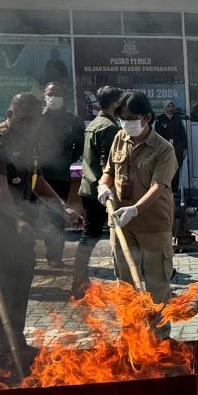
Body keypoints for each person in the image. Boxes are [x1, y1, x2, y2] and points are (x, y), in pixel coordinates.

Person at [0, 94, 82, 362]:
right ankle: (3, 348)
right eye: (22, 119)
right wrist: (16, 221)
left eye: (33, 121)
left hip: (22, 218)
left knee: (22, 278)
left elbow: (37, 181)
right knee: (3, 282)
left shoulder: (31, 140)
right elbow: (0, 188)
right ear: (10, 115)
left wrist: (63, 208)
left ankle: (17, 341)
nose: (28, 125)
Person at [98, 92, 180, 315]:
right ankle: (131, 334)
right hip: (121, 225)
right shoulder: (119, 138)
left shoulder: (164, 149)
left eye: (131, 118)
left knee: (157, 286)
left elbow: (159, 187)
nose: (126, 122)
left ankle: (158, 337)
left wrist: (134, 210)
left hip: (153, 225)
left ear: (146, 118)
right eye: (122, 118)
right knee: (125, 285)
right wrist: (103, 186)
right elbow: (108, 171)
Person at [72, 86, 126, 295]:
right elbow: (109, 164)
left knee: (91, 234)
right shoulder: (108, 128)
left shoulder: (95, 124)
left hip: (91, 188)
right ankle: (78, 280)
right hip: (101, 191)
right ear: (114, 103)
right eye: (120, 102)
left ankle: (80, 278)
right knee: (91, 235)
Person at [35, 81, 84, 267]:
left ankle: (55, 257)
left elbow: (80, 145)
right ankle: (28, 257)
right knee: (34, 215)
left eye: (58, 93)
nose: (54, 96)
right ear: (44, 95)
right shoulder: (36, 118)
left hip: (59, 176)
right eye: (50, 93)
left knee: (57, 216)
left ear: (64, 97)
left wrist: (68, 159)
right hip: (36, 176)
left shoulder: (73, 121)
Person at [154, 100, 189, 210]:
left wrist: (185, 148)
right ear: (164, 107)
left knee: (176, 169)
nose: (170, 108)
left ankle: (174, 190)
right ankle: (166, 189)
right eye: (168, 106)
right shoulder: (159, 119)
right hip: (164, 150)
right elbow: (157, 136)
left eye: (172, 106)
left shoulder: (178, 119)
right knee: (166, 169)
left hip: (177, 149)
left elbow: (183, 134)